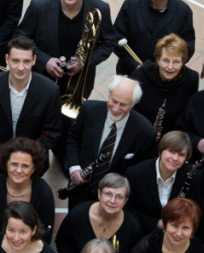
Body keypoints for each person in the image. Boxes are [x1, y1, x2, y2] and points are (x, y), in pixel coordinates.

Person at [15, 0, 118, 164]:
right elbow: (20, 39)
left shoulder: (100, 9)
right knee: (38, 118)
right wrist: (44, 61)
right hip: (43, 79)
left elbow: (108, 43)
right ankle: (33, 156)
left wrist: (85, 62)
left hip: (79, 82)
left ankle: (62, 155)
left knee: (68, 124)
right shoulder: (39, 6)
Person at [0, 36, 62, 182]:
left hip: (31, 164)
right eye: (15, 61)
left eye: (26, 61)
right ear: (7, 59)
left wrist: (26, 158)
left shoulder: (50, 90)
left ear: (34, 60)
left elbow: (51, 132)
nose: (21, 67)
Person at [64, 75, 156, 208]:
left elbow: (143, 170)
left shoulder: (146, 133)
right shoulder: (89, 109)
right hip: (80, 190)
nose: (116, 108)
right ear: (109, 95)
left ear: (134, 104)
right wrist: (74, 167)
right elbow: (74, 138)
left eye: (123, 104)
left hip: (114, 201)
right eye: (114, 101)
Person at [0, 137, 56, 253]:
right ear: (6, 164)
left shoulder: (44, 192)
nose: (18, 170)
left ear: (34, 168)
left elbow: (45, 235)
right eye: (14, 164)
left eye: (25, 166)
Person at [113, 0, 195, 76]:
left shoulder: (183, 11)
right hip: (130, 72)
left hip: (164, 76)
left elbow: (187, 47)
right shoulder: (131, 4)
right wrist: (135, 65)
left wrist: (168, 68)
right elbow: (116, 38)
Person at [55, 174, 143, 253]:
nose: (112, 201)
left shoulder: (133, 226)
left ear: (126, 201)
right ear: (99, 194)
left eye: (119, 197)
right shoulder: (78, 214)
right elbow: (62, 242)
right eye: (108, 194)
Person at [125, 131, 200, 235]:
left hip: (178, 234)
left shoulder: (193, 175)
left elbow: (194, 209)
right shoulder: (136, 173)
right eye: (171, 151)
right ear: (161, 151)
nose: (175, 158)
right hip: (141, 232)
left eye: (181, 155)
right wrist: (155, 223)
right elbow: (127, 208)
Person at [129, 33, 200, 140]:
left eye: (176, 62)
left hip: (172, 139)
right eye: (165, 60)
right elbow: (130, 110)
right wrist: (145, 129)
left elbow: (187, 114)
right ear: (157, 59)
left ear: (183, 62)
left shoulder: (192, 78)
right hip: (139, 133)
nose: (170, 67)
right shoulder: (140, 75)